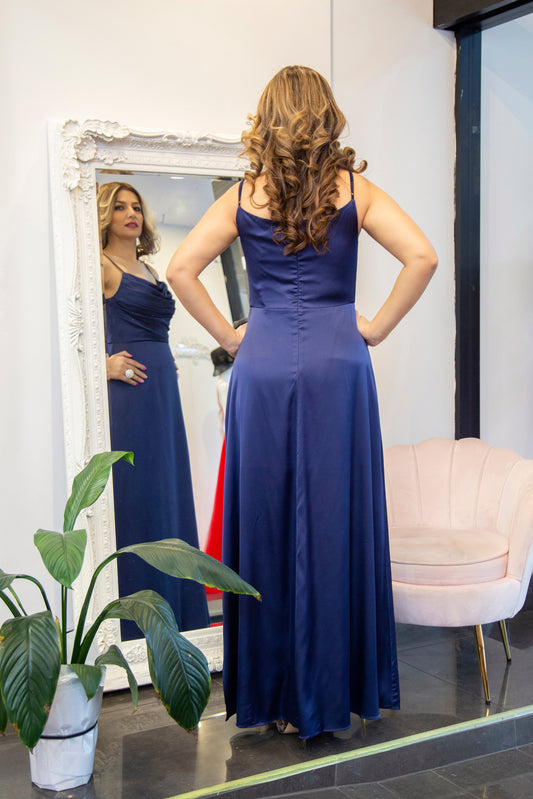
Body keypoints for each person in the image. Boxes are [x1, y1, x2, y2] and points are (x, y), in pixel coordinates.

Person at [166, 65, 437, 738]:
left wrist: (232, 333)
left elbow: (178, 269)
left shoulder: (241, 195)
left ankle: (275, 699)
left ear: (267, 117)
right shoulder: (355, 189)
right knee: (332, 519)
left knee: (265, 523)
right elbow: (422, 257)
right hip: (336, 364)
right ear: (325, 115)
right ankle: (333, 692)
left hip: (261, 367)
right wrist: (370, 325)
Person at [98, 181, 209, 640]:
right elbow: (73, 328)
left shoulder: (146, 267)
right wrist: (103, 366)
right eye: (119, 206)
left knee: (168, 489)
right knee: (138, 493)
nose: (130, 213)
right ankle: (140, 626)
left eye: (136, 206)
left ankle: (179, 616)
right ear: (104, 215)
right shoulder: (99, 266)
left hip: (162, 390)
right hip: (130, 397)